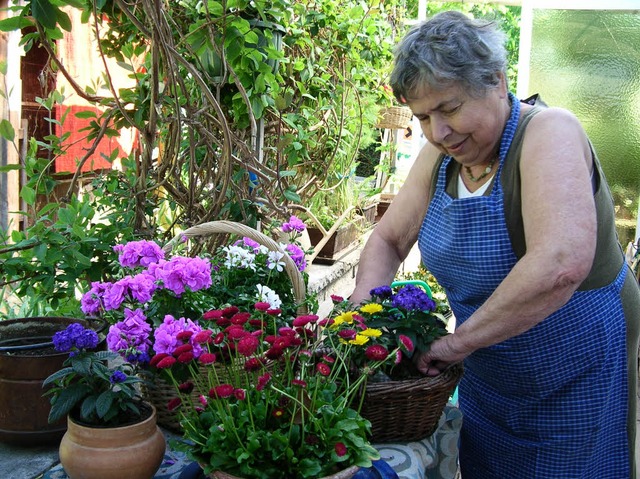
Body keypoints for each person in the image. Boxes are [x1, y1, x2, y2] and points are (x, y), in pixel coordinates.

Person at [349, 10, 640, 479]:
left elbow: (560, 264)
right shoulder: (439, 158)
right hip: (490, 360)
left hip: (573, 363)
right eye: (423, 116)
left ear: (497, 81)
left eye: (450, 108)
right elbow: (388, 237)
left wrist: (458, 342)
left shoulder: (549, 133)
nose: (438, 132)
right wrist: (360, 322)